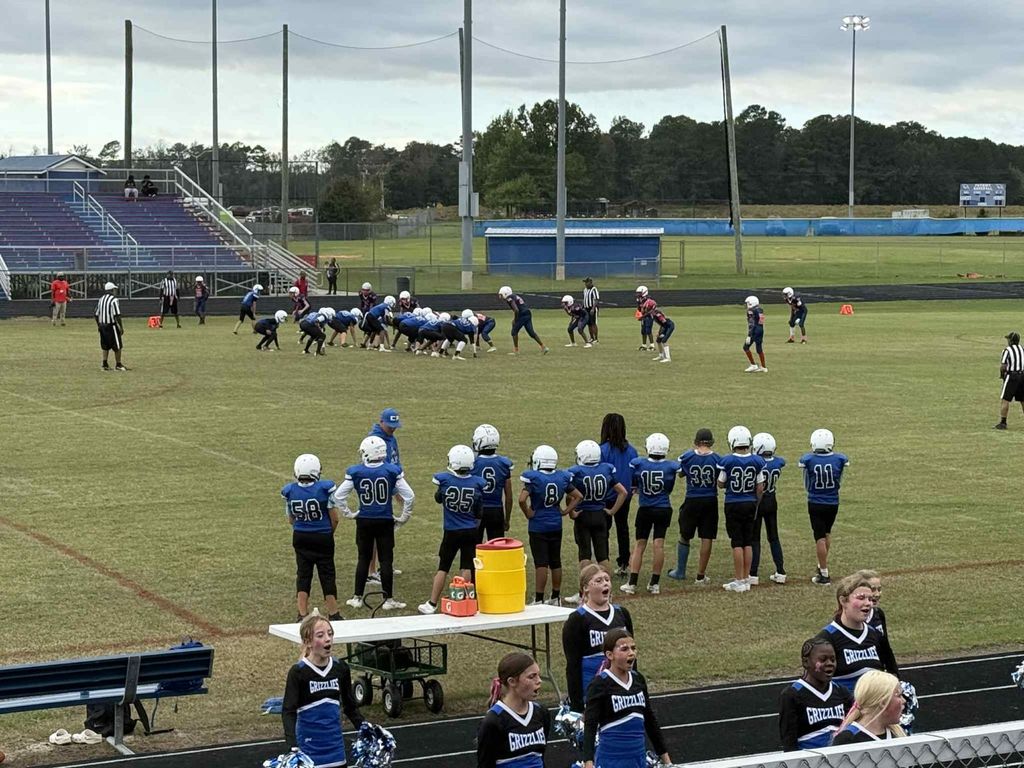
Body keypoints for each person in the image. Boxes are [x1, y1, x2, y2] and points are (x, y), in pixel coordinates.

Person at [333, 435, 414, 611]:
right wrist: (403, 517)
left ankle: (357, 597)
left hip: (365, 520)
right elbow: (410, 496)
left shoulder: (356, 471)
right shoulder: (392, 470)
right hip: (385, 519)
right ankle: (388, 599)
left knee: (363, 558)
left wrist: (350, 513)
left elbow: (339, 496)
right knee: (386, 560)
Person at [282, 615, 365, 767]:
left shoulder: (340, 668)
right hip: (309, 753)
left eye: (330, 634)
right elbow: (288, 711)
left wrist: (366, 730)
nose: (328, 639)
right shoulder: (299, 672)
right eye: (320, 635)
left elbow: (350, 707)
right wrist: (292, 746)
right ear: (308, 642)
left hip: (336, 751)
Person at [582, 628, 672, 768]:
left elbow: (650, 720)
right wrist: (588, 762)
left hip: (638, 759)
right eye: (624, 649)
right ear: (610, 654)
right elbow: (590, 726)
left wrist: (667, 761)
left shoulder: (638, 679)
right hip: (611, 760)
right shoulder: (600, 684)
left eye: (633, 648)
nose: (631, 653)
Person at [417, 445, 485, 614]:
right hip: (471, 530)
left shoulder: (445, 480)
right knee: (467, 566)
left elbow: (438, 498)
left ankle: (432, 603)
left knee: (443, 567)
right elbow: (479, 512)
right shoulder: (477, 483)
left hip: (452, 531)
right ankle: (463, 601)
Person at [562, 564, 634, 712]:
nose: (605, 583)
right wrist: (577, 704)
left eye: (607, 579)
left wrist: (634, 685)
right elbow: (573, 665)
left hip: (620, 686)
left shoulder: (622, 614)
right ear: (585, 588)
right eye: (599, 581)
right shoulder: (577, 619)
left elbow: (632, 653)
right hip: (592, 688)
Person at [564, 441, 627, 602]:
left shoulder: (576, 472)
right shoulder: (605, 469)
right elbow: (623, 492)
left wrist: (571, 512)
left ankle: (583, 595)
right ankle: (608, 592)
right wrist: (612, 511)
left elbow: (569, 495)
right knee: (603, 556)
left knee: (585, 555)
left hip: (584, 515)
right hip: (600, 515)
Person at [281, 454, 341, 621]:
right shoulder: (324, 488)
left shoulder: (290, 491)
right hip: (322, 536)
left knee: (303, 574)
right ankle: (333, 612)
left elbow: (291, 519)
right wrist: (328, 532)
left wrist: (303, 528)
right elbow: (334, 518)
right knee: (327, 574)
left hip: (300, 536)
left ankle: (302, 613)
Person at [519, 445, 582, 605]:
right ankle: (555, 596)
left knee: (541, 562)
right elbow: (578, 496)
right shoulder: (562, 477)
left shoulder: (533, 478)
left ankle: (539, 599)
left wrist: (528, 512)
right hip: (555, 524)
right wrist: (565, 511)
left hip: (538, 525)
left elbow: (521, 499)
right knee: (555, 561)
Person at [622, 433, 680, 595]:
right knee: (658, 544)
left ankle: (632, 583)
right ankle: (654, 583)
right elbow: (669, 488)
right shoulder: (671, 466)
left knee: (640, 545)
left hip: (646, 508)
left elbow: (634, 485)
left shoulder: (638, 464)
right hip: (663, 508)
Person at [817, 575, 895, 691]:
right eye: (861, 598)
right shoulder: (827, 638)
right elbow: (816, 686)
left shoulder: (873, 634)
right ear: (843, 601)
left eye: (869, 599)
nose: (868, 603)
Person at [778, 637, 853, 750]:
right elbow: (789, 741)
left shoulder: (841, 692)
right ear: (806, 662)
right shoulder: (792, 695)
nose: (829, 663)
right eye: (823, 660)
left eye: (833, 659)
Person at [477, 653, 550, 768]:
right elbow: (485, 764)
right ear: (512, 682)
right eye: (532, 677)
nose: (539, 680)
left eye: (538, 675)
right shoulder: (493, 721)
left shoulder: (541, 712)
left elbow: (541, 757)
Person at [716, 426, 766, 593]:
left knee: (736, 542)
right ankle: (746, 578)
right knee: (748, 541)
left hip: (733, 503)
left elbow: (721, 482)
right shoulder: (757, 461)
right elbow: (760, 487)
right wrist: (756, 502)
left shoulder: (727, 461)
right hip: (750, 502)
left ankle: (739, 580)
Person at [799, 428, 849, 585]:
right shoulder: (839, 459)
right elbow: (839, 479)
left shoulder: (809, 459)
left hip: (816, 501)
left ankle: (824, 573)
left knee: (819, 537)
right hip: (833, 501)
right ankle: (821, 566)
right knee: (827, 533)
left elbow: (807, 481)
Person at [670, 428, 720, 584]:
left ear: (696, 441)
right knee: (707, 537)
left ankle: (680, 571)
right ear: (711, 442)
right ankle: (700, 574)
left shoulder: (687, 457)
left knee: (685, 535)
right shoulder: (718, 459)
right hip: (710, 500)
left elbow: (680, 474)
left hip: (692, 500)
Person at [599, 413, 639, 577]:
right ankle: (623, 563)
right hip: (625, 496)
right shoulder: (631, 451)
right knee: (622, 527)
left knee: (604, 530)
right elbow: (635, 472)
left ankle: (604, 562)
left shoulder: (602, 450)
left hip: (607, 495)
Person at [749, 432, 787, 586]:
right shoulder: (778, 462)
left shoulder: (756, 462)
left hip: (758, 500)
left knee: (755, 538)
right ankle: (780, 571)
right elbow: (781, 461)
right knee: (774, 537)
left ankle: (753, 573)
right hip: (772, 500)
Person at [831, 670, 906, 745]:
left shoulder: (897, 734)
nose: (904, 701)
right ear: (883, 702)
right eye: (899, 695)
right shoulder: (847, 739)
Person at [470, 424, 515, 543]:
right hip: (496, 510)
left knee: (474, 548)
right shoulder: (504, 463)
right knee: (497, 549)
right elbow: (509, 496)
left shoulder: (472, 463)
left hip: (476, 510)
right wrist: (507, 518)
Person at [856, 569, 899, 676]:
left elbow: (886, 648)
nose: (877, 594)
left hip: (878, 674)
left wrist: (894, 675)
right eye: (873, 589)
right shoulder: (851, 619)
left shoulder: (878, 614)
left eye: (879, 589)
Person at [498, 286, 548, 355]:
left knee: (514, 332)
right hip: (527, 313)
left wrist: (515, 320)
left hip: (522, 315)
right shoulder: (514, 296)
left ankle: (516, 351)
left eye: (501, 294)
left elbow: (516, 310)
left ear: (505, 293)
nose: (500, 296)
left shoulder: (509, 298)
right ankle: (544, 347)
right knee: (531, 332)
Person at [994, 331, 1024, 429]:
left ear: (1010, 341)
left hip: (1012, 376)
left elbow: (1003, 366)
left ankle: (1003, 422)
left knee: (1005, 399)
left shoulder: (1007, 350)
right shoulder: (1022, 349)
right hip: (1022, 375)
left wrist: (1002, 376)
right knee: (1023, 400)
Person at [95, 281, 126, 371]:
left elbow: (96, 314)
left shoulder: (101, 299)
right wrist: (121, 327)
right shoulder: (114, 300)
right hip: (111, 326)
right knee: (118, 345)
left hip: (102, 325)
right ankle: (118, 364)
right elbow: (117, 315)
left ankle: (105, 364)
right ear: (112, 290)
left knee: (105, 345)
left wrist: (99, 325)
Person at [640, 299, 674, 363]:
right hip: (664, 326)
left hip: (669, 326)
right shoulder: (652, 313)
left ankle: (668, 358)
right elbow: (645, 315)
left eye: (648, 308)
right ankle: (661, 355)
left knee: (664, 340)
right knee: (658, 340)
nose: (646, 309)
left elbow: (664, 323)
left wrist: (662, 332)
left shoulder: (657, 314)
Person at [743, 295, 767, 373]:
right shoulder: (760, 309)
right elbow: (760, 321)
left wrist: (749, 335)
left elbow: (752, 324)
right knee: (759, 349)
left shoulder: (751, 311)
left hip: (755, 331)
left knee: (746, 347)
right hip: (761, 330)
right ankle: (763, 367)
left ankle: (753, 365)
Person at [635, 286, 655, 351]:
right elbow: (639, 309)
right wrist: (639, 313)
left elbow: (650, 311)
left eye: (639, 293)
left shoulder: (649, 301)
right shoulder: (640, 300)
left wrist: (642, 316)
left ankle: (652, 345)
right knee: (643, 331)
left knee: (648, 330)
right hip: (643, 317)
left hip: (649, 316)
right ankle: (644, 345)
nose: (638, 294)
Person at [582, 276, 600, 343]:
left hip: (592, 308)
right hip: (586, 308)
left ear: (590, 282)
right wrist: (583, 307)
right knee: (588, 323)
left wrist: (593, 308)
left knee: (593, 323)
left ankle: (596, 339)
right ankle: (591, 338)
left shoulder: (594, 289)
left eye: (587, 282)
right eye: (585, 283)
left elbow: (596, 300)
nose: (585, 284)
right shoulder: (585, 290)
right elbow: (584, 299)